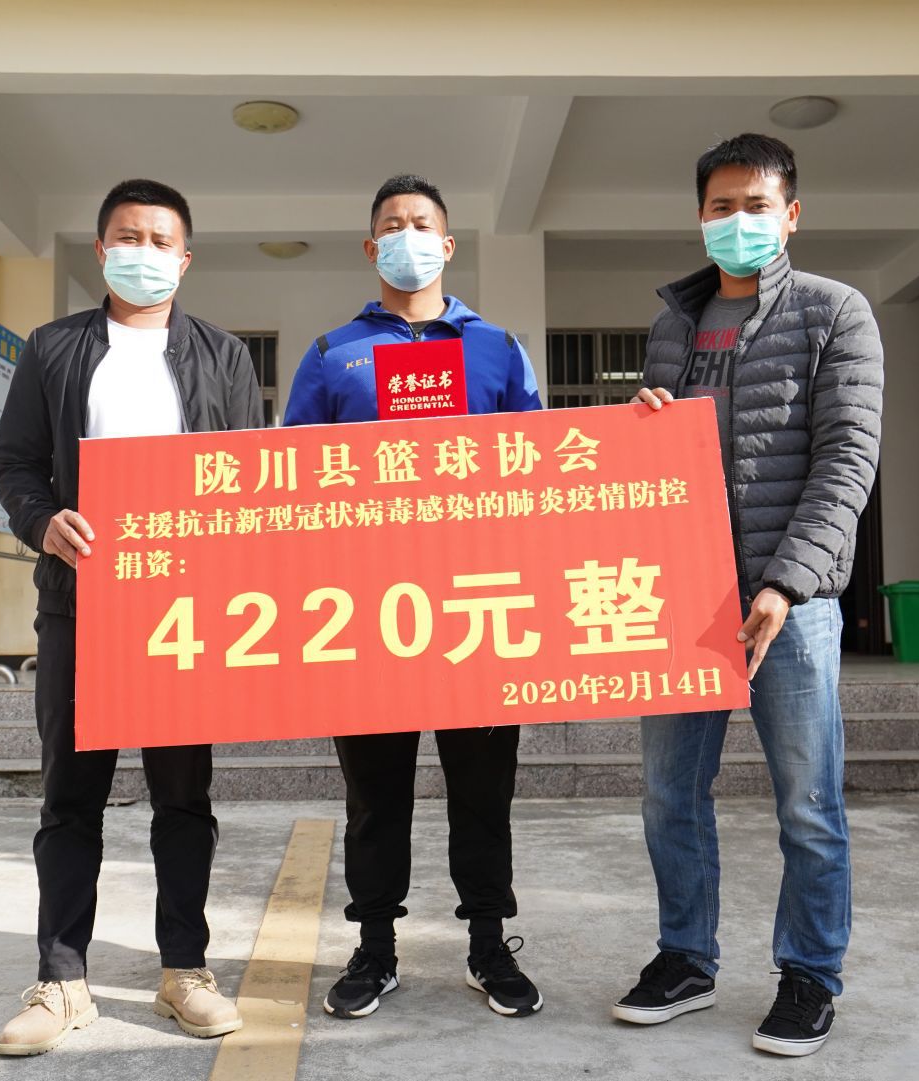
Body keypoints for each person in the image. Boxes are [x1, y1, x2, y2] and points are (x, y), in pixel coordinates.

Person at [609, 134, 882, 1058]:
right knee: (667, 795)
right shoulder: (673, 326)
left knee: (807, 800)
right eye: (721, 207)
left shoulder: (834, 313)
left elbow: (847, 460)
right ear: (700, 217)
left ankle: (810, 974)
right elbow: (653, 468)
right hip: (683, 600)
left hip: (789, 608)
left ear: (791, 215)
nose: (738, 222)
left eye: (756, 206)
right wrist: (639, 427)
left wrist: (787, 581)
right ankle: (685, 958)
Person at [0, 178, 264, 1056]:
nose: (142, 252)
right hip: (82, 606)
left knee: (184, 796)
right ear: (101, 248)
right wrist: (43, 522)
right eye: (127, 237)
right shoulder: (55, 348)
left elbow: (250, 475)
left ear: (184, 259)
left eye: (159, 240)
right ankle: (61, 980)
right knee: (71, 797)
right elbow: (16, 463)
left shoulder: (223, 355)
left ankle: (185, 969)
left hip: (184, 610)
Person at [281, 173, 545, 1020]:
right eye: (392, 225)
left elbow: (542, 469)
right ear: (372, 248)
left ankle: (488, 943)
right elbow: (288, 477)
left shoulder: (497, 349)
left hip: (477, 606)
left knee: (483, 793)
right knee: (375, 797)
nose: (408, 236)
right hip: (366, 612)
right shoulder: (333, 354)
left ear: (448, 244)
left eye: (422, 223)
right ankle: (375, 947)